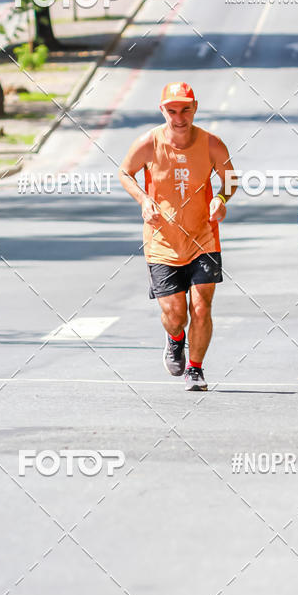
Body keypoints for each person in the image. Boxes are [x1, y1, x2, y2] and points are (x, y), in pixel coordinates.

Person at [118, 82, 236, 391]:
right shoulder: (149, 143)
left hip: (204, 238)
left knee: (201, 307)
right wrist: (144, 200)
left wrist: (221, 200)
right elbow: (125, 172)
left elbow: (231, 180)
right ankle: (175, 338)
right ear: (162, 110)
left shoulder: (212, 144)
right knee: (174, 314)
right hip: (162, 242)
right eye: (172, 110)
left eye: (185, 109)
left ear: (195, 107)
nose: (179, 117)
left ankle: (195, 369)